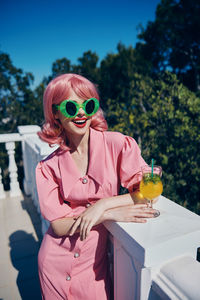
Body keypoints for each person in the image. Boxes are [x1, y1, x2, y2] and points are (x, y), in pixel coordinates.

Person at [35, 73, 157, 300]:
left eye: (88, 105)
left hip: (94, 270)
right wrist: (105, 214)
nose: (81, 113)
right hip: (53, 265)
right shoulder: (47, 167)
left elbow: (148, 195)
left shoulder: (118, 144)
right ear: (56, 114)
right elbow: (60, 226)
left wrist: (102, 206)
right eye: (71, 107)